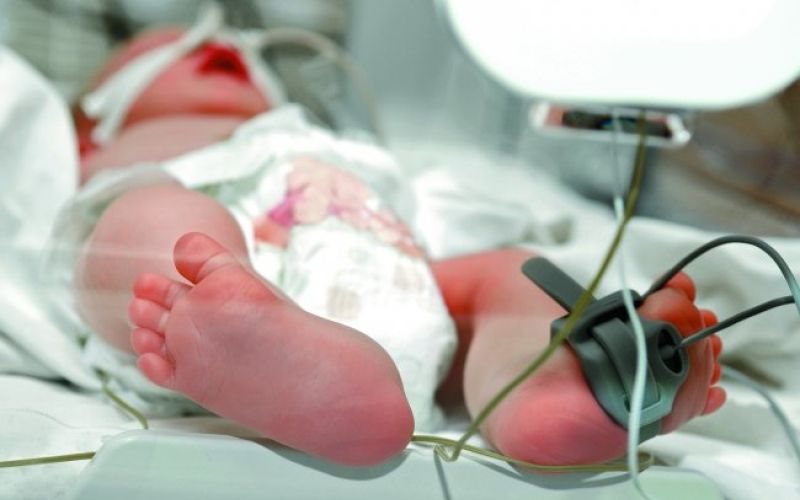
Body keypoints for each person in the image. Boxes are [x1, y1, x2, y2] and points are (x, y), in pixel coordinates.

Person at [67, 26, 725, 467]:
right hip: (203, 301)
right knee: (152, 221)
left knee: (509, 273)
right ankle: (248, 341)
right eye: (172, 46)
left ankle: (545, 388)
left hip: (381, 282)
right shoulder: (126, 147)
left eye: (247, 53)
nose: (221, 41)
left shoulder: (324, 143)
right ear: (89, 129)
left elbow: (412, 239)